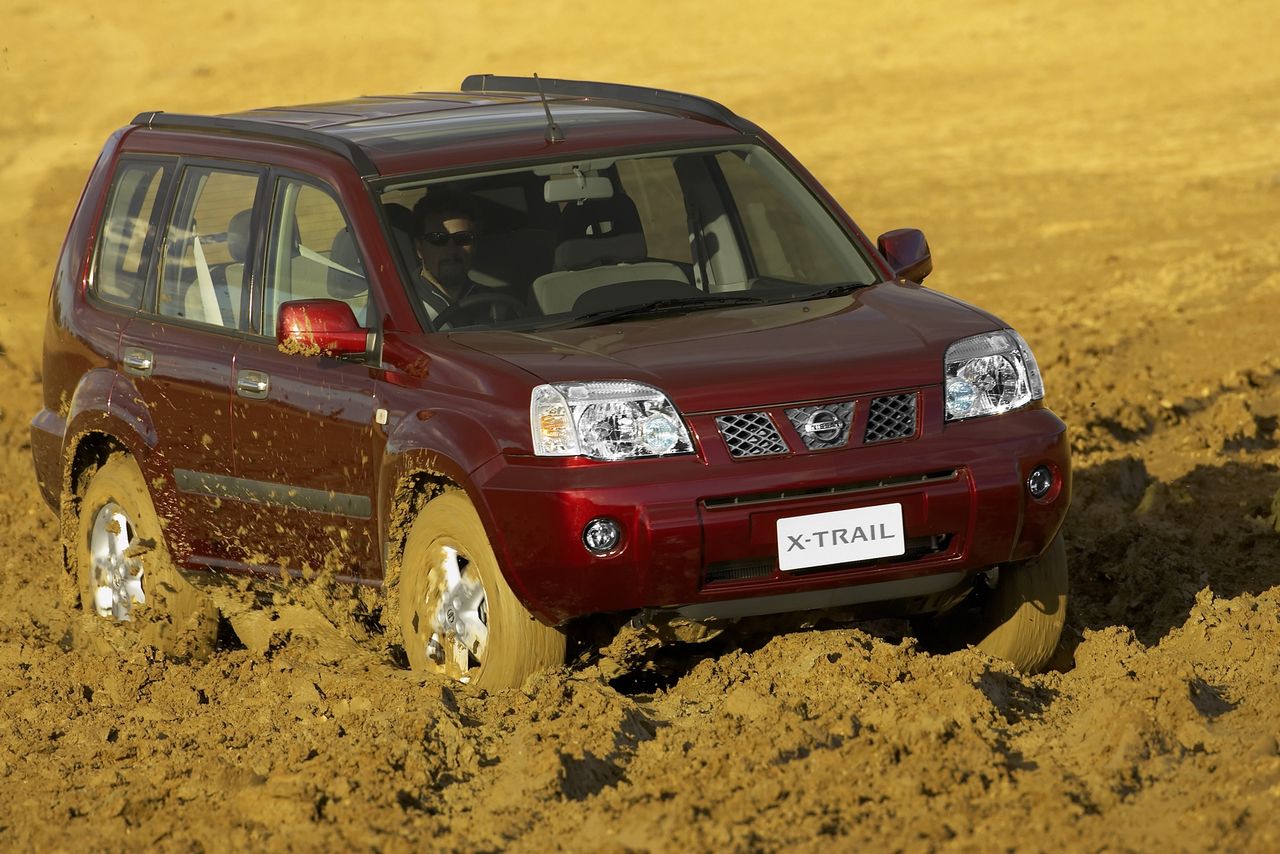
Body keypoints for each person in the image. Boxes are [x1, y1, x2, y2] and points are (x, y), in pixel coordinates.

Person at [410, 191, 480, 324]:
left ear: (474, 245)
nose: (451, 250)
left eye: (463, 238)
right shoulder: (397, 306)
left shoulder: (499, 305)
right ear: (419, 248)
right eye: (438, 239)